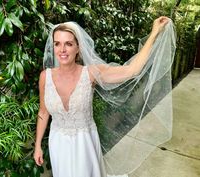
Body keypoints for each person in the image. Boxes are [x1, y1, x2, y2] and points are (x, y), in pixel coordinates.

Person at [34, 16, 176, 177]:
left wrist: (154, 33)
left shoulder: (92, 73)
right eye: (57, 44)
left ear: (78, 48)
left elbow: (132, 70)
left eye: (69, 44)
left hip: (85, 144)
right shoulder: (45, 77)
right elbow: (43, 112)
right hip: (58, 143)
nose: (62, 50)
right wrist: (38, 145)